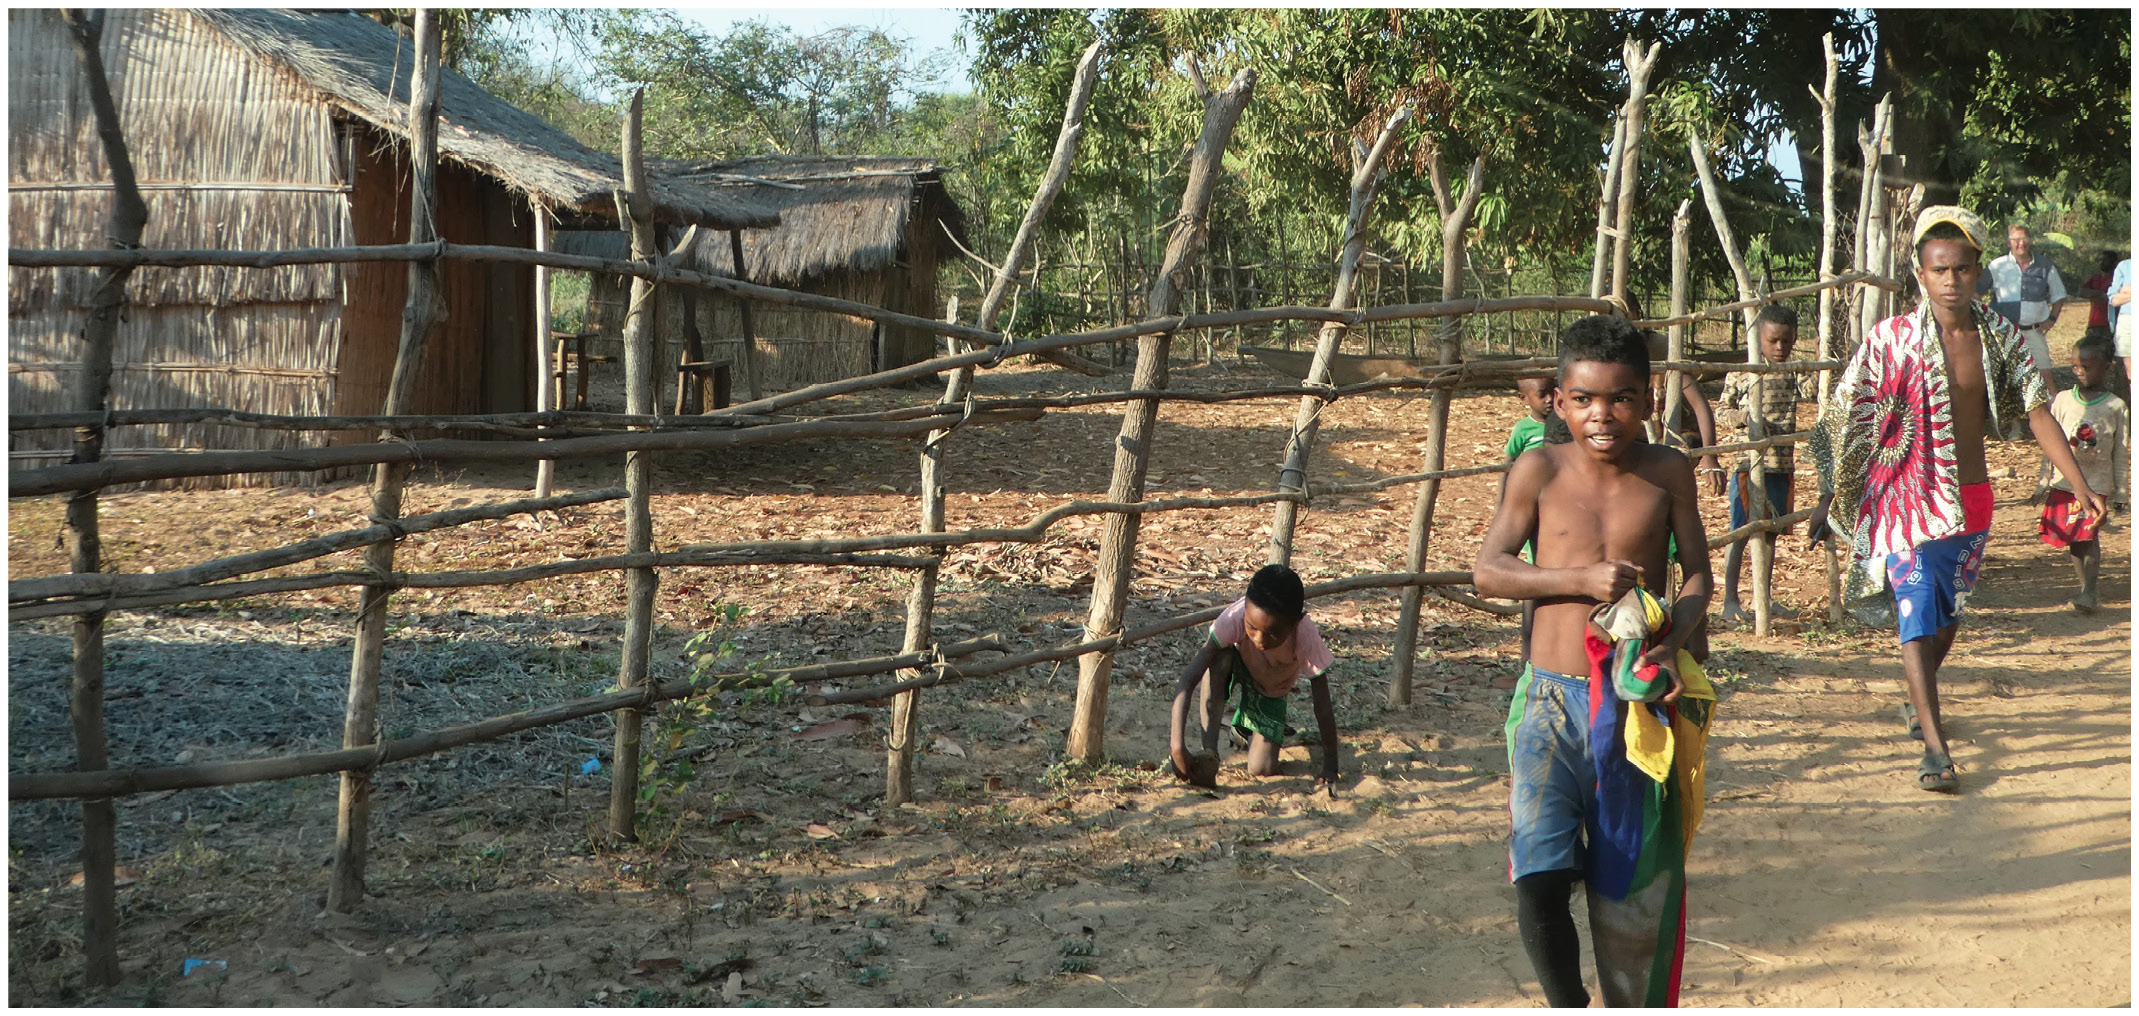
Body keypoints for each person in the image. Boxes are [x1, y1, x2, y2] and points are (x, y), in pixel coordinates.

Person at [1808, 206, 2107, 794]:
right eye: (1939, 269)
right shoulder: (1890, 341)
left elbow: (2036, 411)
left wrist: (2078, 484)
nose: (1951, 280)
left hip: (1971, 501)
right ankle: (1935, 748)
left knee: (1946, 618)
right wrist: (1830, 494)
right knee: (1916, 613)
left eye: (1963, 269)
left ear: (1977, 273)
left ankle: (1917, 704)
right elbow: (1847, 418)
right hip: (1907, 499)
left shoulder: (1996, 335)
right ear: (1921, 273)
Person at [1476, 314, 1715, 1008]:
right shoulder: (1538, 468)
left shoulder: (1667, 470)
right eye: (1582, 399)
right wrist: (1573, 581)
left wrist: (1672, 641)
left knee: (1630, 893)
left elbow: (1697, 577)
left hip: (1633, 707)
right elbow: (1487, 571)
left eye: (1619, 398)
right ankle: (1566, 1004)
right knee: (1539, 876)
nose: (1600, 415)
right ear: (1557, 399)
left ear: (1648, 396)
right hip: (1548, 702)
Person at [1167, 563, 1338, 793]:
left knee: (1261, 768)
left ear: (1295, 623)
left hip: (1271, 691)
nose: (1259, 640)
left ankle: (1244, 730)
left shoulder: (1304, 634)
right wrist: (1177, 747)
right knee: (1218, 656)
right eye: (1252, 627)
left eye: (1273, 634)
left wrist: (1330, 766)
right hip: (1239, 666)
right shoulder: (1234, 618)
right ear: (1245, 608)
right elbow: (1188, 680)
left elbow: (1323, 705)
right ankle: (1210, 752)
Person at [1715, 304, 1819, 622]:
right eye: (1773, 340)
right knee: (1740, 531)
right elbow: (1721, 410)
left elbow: (1814, 391)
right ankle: (1730, 600)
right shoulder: (1742, 373)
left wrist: (1819, 356)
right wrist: (1743, 417)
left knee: (1772, 532)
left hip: (1781, 465)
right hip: (1748, 464)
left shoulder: (1794, 370)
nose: (1780, 348)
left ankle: (1765, 597)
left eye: (1786, 341)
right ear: (1758, 337)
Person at [2031, 333, 2126, 614]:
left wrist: (2122, 491)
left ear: (2107, 366)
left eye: (2087, 365)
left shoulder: (2117, 407)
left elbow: (2120, 452)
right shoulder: (2061, 401)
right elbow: (2050, 446)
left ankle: (2090, 590)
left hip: (2096, 483)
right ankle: (2085, 588)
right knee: (2074, 538)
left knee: (2089, 534)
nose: (2080, 371)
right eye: (2075, 366)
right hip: (2064, 482)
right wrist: (2043, 482)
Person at [1981, 223, 2068, 393]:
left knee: (2045, 377)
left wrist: (2051, 319)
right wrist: (1986, 318)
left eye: (2024, 239)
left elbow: (2059, 296)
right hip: (2005, 333)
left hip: (2034, 332)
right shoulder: (1997, 266)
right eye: (2016, 239)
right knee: (2005, 380)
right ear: (2008, 243)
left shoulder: (2044, 266)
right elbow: (1975, 291)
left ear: (2031, 241)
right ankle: (2013, 420)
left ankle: (2056, 416)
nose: (2021, 243)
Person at [2079, 250, 2121, 343]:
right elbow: (2081, 292)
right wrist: (2101, 293)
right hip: (2094, 323)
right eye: (2100, 260)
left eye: (2105, 260)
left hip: (2111, 325)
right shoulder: (2095, 278)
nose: (2101, 262)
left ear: (2114, 262)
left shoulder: (2118, 279)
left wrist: (2092, 295)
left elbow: (2109, 299)